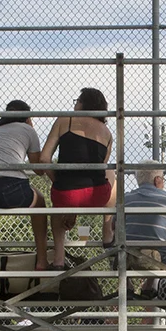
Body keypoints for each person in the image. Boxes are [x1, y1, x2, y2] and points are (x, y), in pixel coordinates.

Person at [0, 100, 50, 271]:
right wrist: (31, 130)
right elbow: (38, 169)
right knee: (40, 201)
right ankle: (42, 261)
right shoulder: (28, 130)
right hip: (12, 189)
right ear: (27, 117)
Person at [40, 87, 115, 269]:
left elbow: (43, 160)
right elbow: (99, 170)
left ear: (83, 103)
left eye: (77, 101)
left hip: (66, 194)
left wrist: (58, 181)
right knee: (111, 173)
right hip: (98, 195)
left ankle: (58, 259)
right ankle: (107, 230)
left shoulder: (65, 120)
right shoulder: (107, 133)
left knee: (58, 207)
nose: (75, 104)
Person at [121, 168, 166, 296]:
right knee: (163, 242)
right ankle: (150, 284)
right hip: (158, 258)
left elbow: (115, 225)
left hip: (128, 256)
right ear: (158, 180)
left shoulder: (126, 198)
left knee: (118, 240)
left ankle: (127, 284)